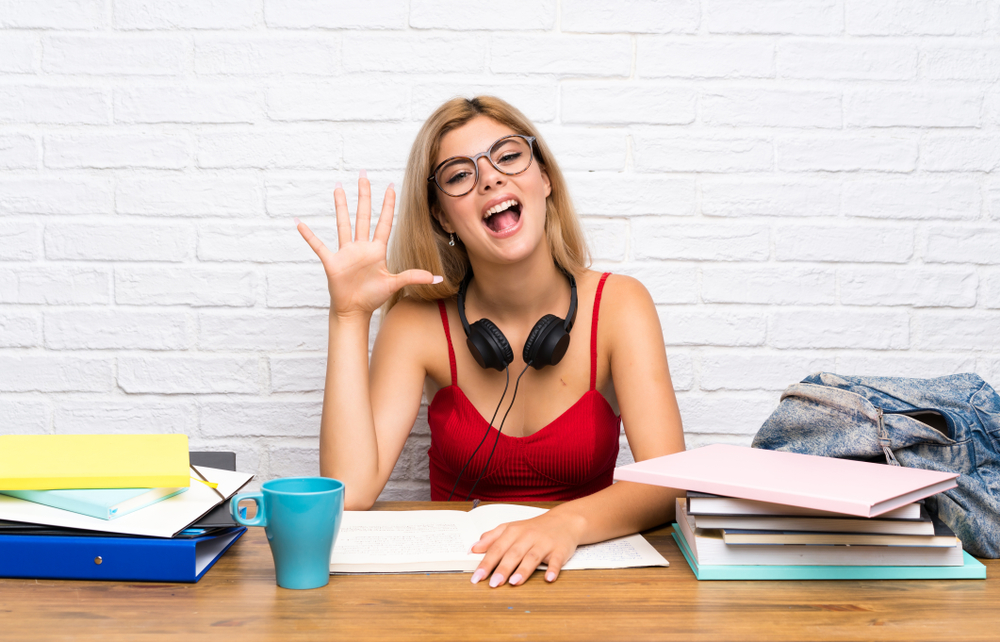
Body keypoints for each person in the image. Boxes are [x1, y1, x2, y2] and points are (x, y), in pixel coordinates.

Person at [296, 96, 685, 588]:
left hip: (584, 581)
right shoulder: (414, 324)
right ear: (441, 216)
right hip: (462, 583)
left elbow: (668, 483)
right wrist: (348, 317)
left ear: (544, 178)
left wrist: (565, 523)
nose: (490, 178)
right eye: (459, 175)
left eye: (507, 156)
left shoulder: (620, 304)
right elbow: (350, 493)